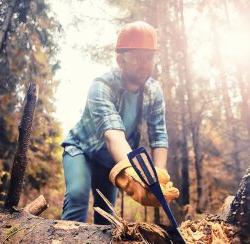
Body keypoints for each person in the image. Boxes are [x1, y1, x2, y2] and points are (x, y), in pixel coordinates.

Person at [61, 21, 179, 225]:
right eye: (136, 57)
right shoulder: (102, 86)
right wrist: (140, 175)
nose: (144, 64)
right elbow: (113, 135)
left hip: (111, 161)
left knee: (106, 213)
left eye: (149, 57)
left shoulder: (154, 91)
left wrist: (159, 178)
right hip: (81, 150)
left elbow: (159, 134)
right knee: (77, 193)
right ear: (120, 60)